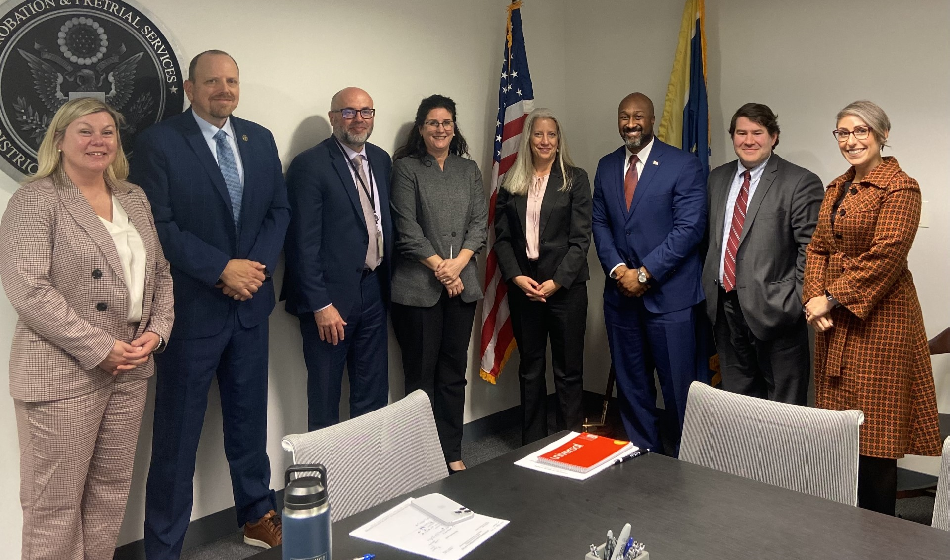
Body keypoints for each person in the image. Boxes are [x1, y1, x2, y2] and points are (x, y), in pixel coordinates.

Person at [129, 50, 290, 557]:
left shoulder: (259, 139)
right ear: (189, 86)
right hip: (190, 311)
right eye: (213, 81)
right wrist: (222, 269)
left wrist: (252, 270)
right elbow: (157, 223)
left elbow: (278, 212)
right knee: (177, 436)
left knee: (249, 421)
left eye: (232, 81)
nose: (224, 89)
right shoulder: (158, 142)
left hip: (248, 310)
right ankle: (164, 545)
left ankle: (256, 516)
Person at [0, 97, 174, 560]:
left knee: (110, 493)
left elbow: (160, 272)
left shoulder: (133, 197)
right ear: (59, 140)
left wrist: (156, 333)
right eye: (85, 131)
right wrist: (102, 348)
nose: (98, 140)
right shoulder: (36, 198)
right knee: (53, 505)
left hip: (131, 367)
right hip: (62, 372)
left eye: (107, 132)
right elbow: (28, 288)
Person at [803, 100, 941, 515]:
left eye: (861, 131)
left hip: (881, 324)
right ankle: (846, 523)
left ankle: (882, 535)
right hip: (834, 326)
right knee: (841, 435)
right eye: (843, 132)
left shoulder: (902, 187)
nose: (851, 140)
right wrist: (812, 297)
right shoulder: (835, 187)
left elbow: (887, 257)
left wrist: (829, 297)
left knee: (876, 440)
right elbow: (817, 248)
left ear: (882, 135)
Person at [591, 92, 707, 454]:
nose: (630, 123)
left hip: (669, 299)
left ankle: (683, 461)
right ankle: (643, 455)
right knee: (632, 385)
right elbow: (601, 224)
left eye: (638, 116)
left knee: (678, 389)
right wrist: (618, 270)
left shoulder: (682, 164)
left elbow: (689, 229)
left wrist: (644, 274)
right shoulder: (607, 165)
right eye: (624, 116)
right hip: (620, 298)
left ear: (652, 119)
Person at [282, 87, 392, 430]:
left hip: (373, 290)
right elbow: (302, 243)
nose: (358, 119)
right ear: (333, 118)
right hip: (329, 301)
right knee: (326, 396)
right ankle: (327, 480)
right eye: (348, 112)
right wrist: (319, 304)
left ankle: (367, 477)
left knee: (372, 393)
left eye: (366, 112)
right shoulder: (309, 165)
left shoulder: (381, 159)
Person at [390, 94, 488, 473]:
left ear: (454, 127)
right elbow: (407, 228)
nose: (441, 129)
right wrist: (440, 269)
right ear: (421, 128)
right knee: (420, 379)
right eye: (433, 123)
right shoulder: (407, 168)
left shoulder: (468, 169)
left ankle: (451, 453)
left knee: (452, 375)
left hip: (462, 288)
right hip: (418, 291)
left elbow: (479, 224)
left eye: (446, 122)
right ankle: (418, 460)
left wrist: (459, 265)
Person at [702, 103, 823, 405]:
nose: (749, 140)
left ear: (774, 137)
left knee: (785, 404)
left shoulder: (799, 182)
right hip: (725, 309)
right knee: (738, 401)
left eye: (758, 133)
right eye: (741, 133)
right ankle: (747, 454)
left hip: (777, 314)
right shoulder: (717, 178)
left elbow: (813, 249)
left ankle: (785, 456)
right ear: (733, 137)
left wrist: (794, 302)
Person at [493, 108, 592, 445]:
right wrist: (517, 277)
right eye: (538, 134)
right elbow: (502, 238)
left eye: (551, 134)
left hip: (565, 290)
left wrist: (557, 282)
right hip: (526, 289)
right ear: (528, 139)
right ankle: (533, 442)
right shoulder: (511, 182)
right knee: (531, 369)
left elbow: (581, 240)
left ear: (559, 139)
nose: (545, 141)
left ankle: (570, 442)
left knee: (568, 372)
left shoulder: (575, 179)